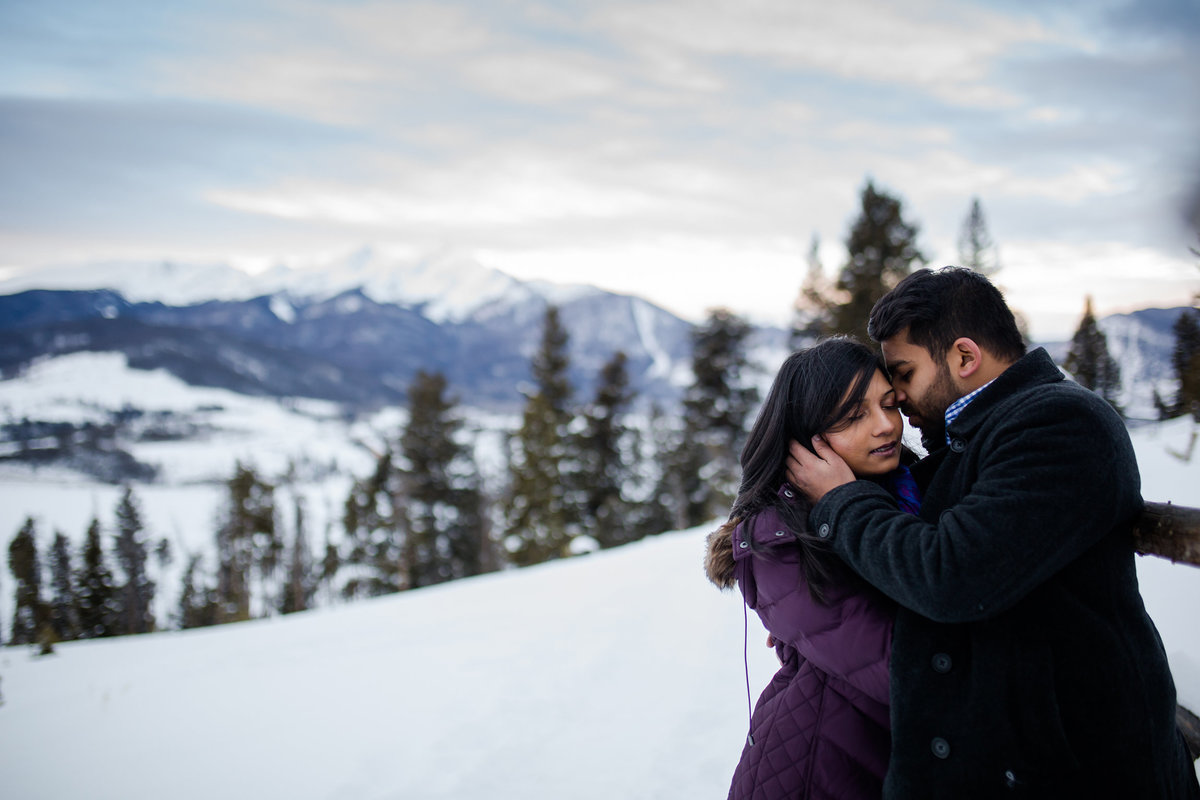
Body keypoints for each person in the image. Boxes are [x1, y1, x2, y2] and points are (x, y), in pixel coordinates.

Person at [786, 267, 1200, 799]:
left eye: (905, 374)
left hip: (1075, 773)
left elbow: (951, 573)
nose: (899, 399)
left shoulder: (1062, 424)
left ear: (964, 356)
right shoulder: (974, 436)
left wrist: (841, 504)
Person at [705, 336, 922, 799]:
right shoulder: (776, 539)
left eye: (889, 405)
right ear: (805, 440)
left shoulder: (907, 490)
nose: (886, 426)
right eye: (853, 417)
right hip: (814, 775)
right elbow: (904, 671)